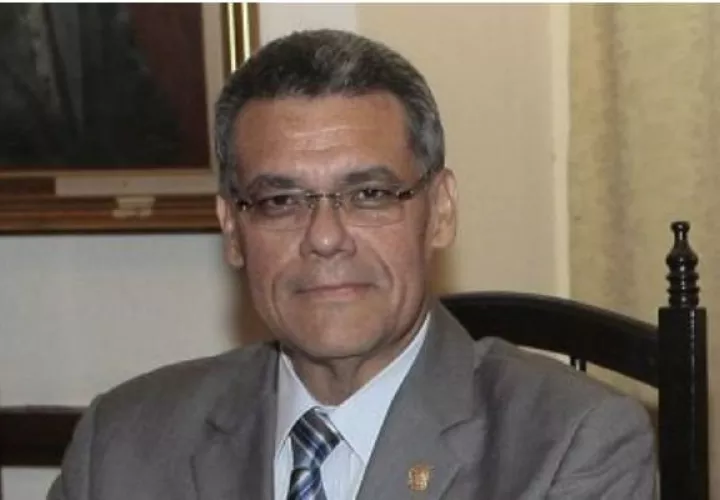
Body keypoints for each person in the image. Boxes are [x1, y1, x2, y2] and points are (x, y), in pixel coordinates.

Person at [48, 29, 655, 500]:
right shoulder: (121, 444)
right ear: (233, 230)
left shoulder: (572, 444)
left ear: (440, 212)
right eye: (281, 201)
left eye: (369, 194)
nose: (325, 238)